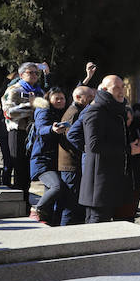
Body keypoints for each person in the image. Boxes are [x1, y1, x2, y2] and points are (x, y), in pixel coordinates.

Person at [79, 75, 140, 223]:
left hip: (114, 184)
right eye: (116, 87)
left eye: (122, 86)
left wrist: (133, 147)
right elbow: (93, 145)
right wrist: (127, 149)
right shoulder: (96, 111)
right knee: (96, 232)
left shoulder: (118, 111)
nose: (121, 90)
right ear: (104, 89)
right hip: (99, 187)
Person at [1, 62, 46, 207]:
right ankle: (20, 204)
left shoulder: (39, 91)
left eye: (35, 73)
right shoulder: (14, 89)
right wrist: (31, 107)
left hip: (34, 134)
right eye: (30, 72)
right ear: (21, 75)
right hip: (17, 132)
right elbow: (9, 112)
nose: (33, 75)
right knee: (19, 168)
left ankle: (26, 202)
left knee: (28, 169)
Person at [29, 87, 71, 225]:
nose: (60, 101)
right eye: (56, 98)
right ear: (49, 99)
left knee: (52, 193)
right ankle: (37, 209)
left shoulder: (64, 112)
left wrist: (87, 79)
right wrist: (52, 129)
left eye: (62, 98)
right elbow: (41, 129)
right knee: (57, 187)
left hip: (55, 161)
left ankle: (46, 219)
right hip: (42, 160)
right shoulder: (43, 110)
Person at [57, 85, 95, 225]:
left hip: (72, 163)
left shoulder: (78, 110)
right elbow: (71, 136)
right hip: (70, 164)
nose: (92, 99)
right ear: (78, 98)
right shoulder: (74, 113)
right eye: (89, 97)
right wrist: (86, 149)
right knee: (70, 204)